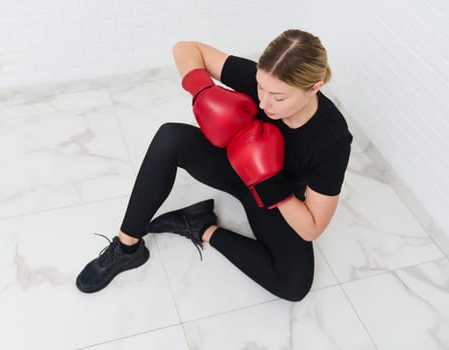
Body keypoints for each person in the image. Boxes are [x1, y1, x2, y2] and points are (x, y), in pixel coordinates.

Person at [76, 29, 352, 302]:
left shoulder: (332, 138)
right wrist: (202, 89)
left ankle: (201, 226)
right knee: (170, 137)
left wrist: (267, 179)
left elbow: (312, 227)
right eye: (260, 87)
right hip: (232, 166)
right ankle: (127, 247)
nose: (264, 102)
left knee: (293, 286)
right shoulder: (266, 80)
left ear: (314, 86)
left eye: (279, 98)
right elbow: (185, 48)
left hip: (274, 196)